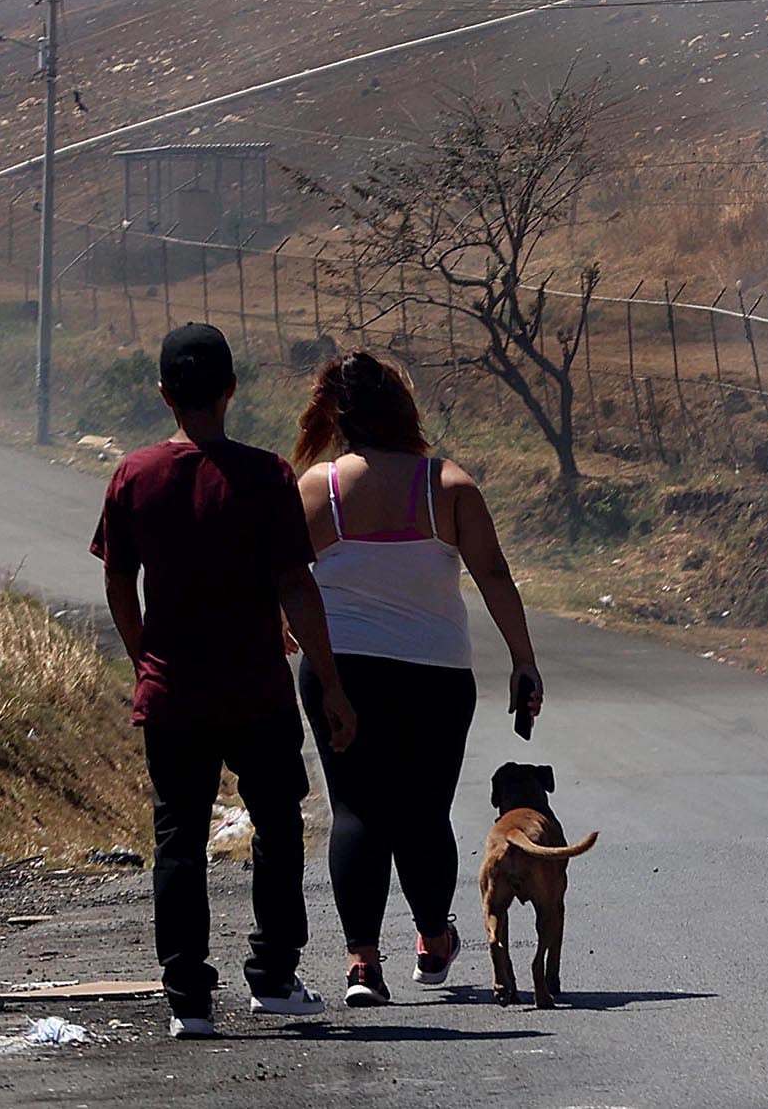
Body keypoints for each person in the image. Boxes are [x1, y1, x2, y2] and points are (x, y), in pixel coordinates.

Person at [91, 321, 353, 1040]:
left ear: (165, 394)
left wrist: (144, 653)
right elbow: (296, 586)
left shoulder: (135, 476)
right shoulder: (265, 475)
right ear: (231, 390)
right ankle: (273, 975)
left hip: (173, 691)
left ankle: (189, 1000)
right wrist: (329, 681)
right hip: (258, 690)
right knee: (277, 826)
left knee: (178, 838)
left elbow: (118, 578)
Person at [293, 352, 546, 1007]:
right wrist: (523, 657)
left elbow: (284, 578)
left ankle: (361, 965)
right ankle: (433, 942)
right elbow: (493, 573)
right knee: (423, 810)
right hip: (434, 673)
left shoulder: (317, 488)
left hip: (340, 668)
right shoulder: (449, 485)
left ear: (339, 415)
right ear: (405, 410)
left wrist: (284, 631)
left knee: (355, 809)